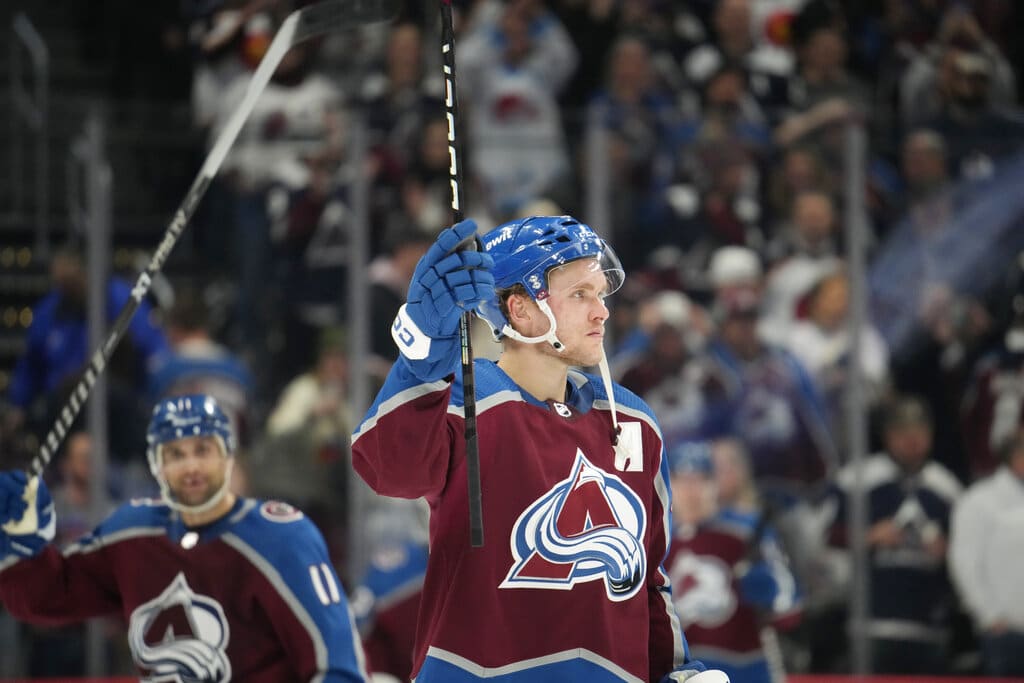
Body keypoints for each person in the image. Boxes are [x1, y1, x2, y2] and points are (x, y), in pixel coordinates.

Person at [351, 216, 730, 682]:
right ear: (521, 311)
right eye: (579, 295)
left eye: (599, 293)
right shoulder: (461, 401)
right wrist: (420, 363)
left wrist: (677, 671)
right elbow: (390, 470)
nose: (602, 312)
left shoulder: (631, 420)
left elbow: (648, 579)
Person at [0, 394, 368, 682]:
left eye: (203, 450)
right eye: (175, 454)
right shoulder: (131, 533)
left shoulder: (281, 540)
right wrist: (19, 549)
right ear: (156, 465)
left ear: (228, 457)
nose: (190, 465)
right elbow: (48, 597)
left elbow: (336, 663)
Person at [665, 442, 799, 683]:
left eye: (700, 480)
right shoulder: (655, 539)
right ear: (668, 485)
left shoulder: (745, 531)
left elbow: (790, 605)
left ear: (715, 484)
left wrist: (772, 592)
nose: (690, 491)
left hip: (746, 669)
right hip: (679, 672)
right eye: (681, 480)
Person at [949, 424, 1024, 677]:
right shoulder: (980, 501)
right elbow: (965, 563)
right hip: (1006, 632)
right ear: (1016, 456)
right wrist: (989, 616)